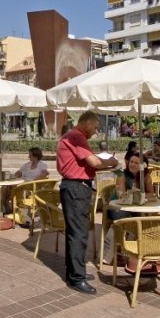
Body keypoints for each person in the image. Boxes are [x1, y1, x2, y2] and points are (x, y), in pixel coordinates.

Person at [56, 111, 119, 294]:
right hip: (76, 188)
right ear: (87, 123)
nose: (96, 130)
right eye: (96, 126)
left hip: (73, 188)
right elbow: (94, 162)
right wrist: (112, 161)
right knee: (79, 233)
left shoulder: (71, 136)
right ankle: (77, 277)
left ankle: (74, 272)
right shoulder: (76, 136)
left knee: (74, 232)